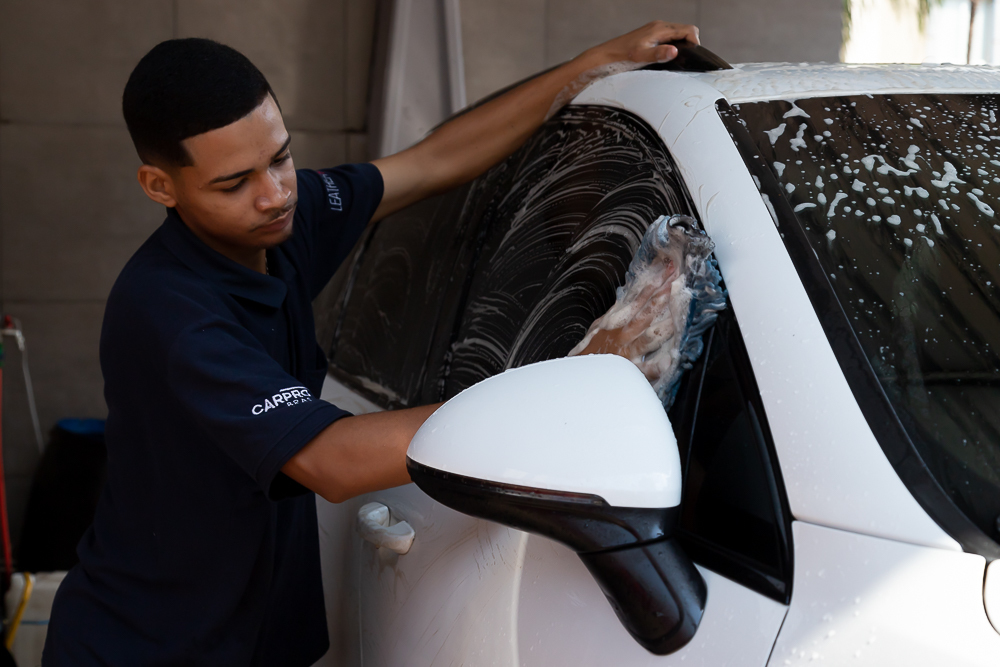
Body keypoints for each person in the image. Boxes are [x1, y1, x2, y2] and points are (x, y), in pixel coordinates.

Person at [43, 20, 699, 666]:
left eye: (280, 157)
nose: (274, 194)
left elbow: (429, 162)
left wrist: (587, 66)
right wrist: (577, 372)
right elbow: (331, 461)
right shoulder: (170, 311)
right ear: (161, 186)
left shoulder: (281, 226)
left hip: (249, 637)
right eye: (234, 182)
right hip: (147, 646)